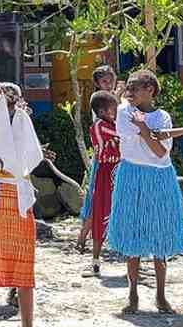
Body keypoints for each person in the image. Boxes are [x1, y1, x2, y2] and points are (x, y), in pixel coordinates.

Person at [108, 69, 183, 315]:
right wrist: (148, 131)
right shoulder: (124, 112)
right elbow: (152, 140)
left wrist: (144, 129)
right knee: (133, 236)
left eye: (135, 89)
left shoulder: (163, 116)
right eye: (128, 88)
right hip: (132, 175)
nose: (129, 93)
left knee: (160, 238)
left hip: (160, 177)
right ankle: (132, 295)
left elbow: (161, 152)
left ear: (150, 90)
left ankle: (161, 295)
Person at [0, 83, 43, 327]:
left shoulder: (15, 126)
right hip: (1, 199)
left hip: (2, 200)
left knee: (18, 267)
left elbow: (19, 159)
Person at [77, 65, 120, 254]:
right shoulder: (101, 104)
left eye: (111, 80)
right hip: (104, 162)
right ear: (97, 83)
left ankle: (87, 240)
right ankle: (82, 238)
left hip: (114, 160)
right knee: (95, 201)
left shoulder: (111, 102)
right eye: (104, 81)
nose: (109, 84)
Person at [82, 90, 121, 277]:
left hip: (118, 170)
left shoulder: (110, 124)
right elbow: (124, 136)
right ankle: (95, 261)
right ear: (104, 111)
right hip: (106, 173)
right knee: (100, 213)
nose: (117, 110)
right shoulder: (100, 126)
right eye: (114, 107)